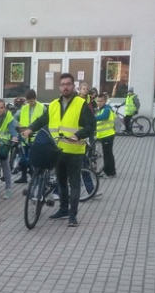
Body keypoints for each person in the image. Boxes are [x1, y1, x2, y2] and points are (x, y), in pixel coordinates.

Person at [25, 72, 96, 227]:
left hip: (75, 151)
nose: (65, 87)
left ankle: (72, 216)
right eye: (63, 84)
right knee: (61, 181)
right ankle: (63, 209)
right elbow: (42, 120)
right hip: (57, 150)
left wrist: (78, 135)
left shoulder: (81, 104)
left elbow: (91, 126)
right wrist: (30, 129)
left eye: (68, 84)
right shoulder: (53, 104)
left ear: (73, 86)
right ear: (59, 87)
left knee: (74, 183)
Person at [15, 89, 45, 183]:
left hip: (36, 137)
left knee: (32, 159)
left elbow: (46, 120)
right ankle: (24, 177)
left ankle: (35, 177)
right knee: (23, 159)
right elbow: (14, 118)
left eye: (31, 101)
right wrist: (17, 125)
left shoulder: (42, 108)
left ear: (35, 98)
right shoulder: (24, 108)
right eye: (28, 101)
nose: (30, 103)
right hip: (24, 136)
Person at [93, 92, 116, 177]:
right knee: (108, 154)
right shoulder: (101, 109)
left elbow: (103, 117)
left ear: (105, 101)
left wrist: (92, 118)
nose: (99, 103)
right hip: (104, 135)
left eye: (101, 101)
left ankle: (110, 173)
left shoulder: (106, 109)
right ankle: (110, 171)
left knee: (107, 155)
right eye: (98, 101)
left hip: (107, 135)